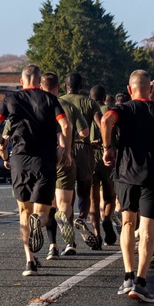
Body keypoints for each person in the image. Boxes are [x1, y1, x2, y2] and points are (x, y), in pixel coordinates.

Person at [101, 70, 154, 302]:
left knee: (128, 222)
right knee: (148, 228)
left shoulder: (124, 109)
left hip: (126, 174)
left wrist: (108, 148)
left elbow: (106, 120)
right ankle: (140, 281)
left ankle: (127, 276)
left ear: (130, 89)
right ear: (151, 90)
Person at [0, 64, 72, 276]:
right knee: (42, 212)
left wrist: (2, 142)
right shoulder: (50, 99)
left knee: (23, 211)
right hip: (45, 160)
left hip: (20, 159)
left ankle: (30, 262)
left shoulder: (10, 99)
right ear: (39, 79)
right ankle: (39, 223)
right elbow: (66, 126)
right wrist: (66, 151)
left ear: (21, 80)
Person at [42, 72, 89, 260]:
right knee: (64, 203)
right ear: (58, 86)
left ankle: (52, 245)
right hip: (63, 157)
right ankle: (69, 241)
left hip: (42, 159)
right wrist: (70, 142)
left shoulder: (36, 104)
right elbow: (84, 131)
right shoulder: (67, 106)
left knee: (48, 205)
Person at [60, 72, 103, 249]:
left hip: (64, 149)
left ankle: (70, 241)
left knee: (66, 195)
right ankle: (82, 218)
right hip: (84, 149)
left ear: (65, 86)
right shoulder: (89, 102)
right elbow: (101, 123)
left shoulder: (59, 102)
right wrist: (102, 142)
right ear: (82, 87)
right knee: (85, 190)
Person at [88, 84, 117, 245]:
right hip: (108, 152)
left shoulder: (87, 109)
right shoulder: (110, 111)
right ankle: (107, 217)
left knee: (93, 199)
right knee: (110, 195)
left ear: (90, 97)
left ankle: (96, 234)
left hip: (91, 154)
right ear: (105, 97)